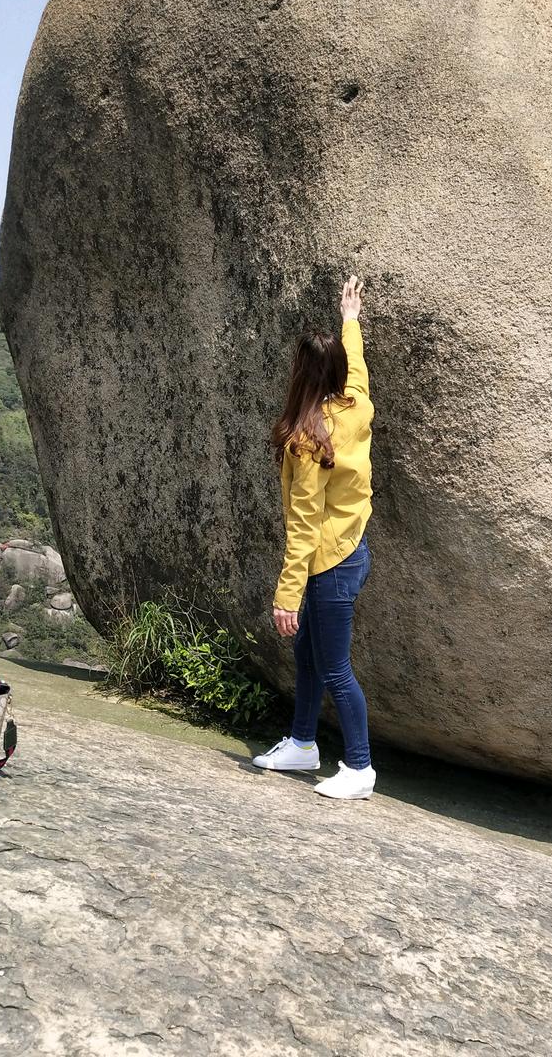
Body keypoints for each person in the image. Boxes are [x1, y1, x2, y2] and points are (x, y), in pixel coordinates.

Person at [253, 275, 376, 800]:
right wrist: (351, 320)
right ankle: (303, 744)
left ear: (300, 374)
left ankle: (361, 768)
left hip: (329, 562)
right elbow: (360, 367)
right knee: (308, 654)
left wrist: (287, 596)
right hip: (355, 550)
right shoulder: (356, 404)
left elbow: (303, 522)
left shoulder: (308, 440)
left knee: (334, 668)